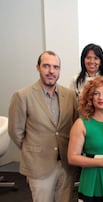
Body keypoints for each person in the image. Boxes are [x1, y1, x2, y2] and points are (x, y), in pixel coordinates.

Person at [8, 51, 78, 202]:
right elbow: (15, 132)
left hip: (65, 164)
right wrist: (32, 148)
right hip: (38, 164)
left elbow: (74, 126)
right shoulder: (22, 96)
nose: (51, 71)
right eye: (46, 66)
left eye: (55, 67)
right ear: (38, 67)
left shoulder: (70, 95)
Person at [67, 76, 103, 201]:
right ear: (90, 98)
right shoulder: (81, 124)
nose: (101, 98)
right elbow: (72, 158)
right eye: (96, 94)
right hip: (93, 179)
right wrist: (102, 162)